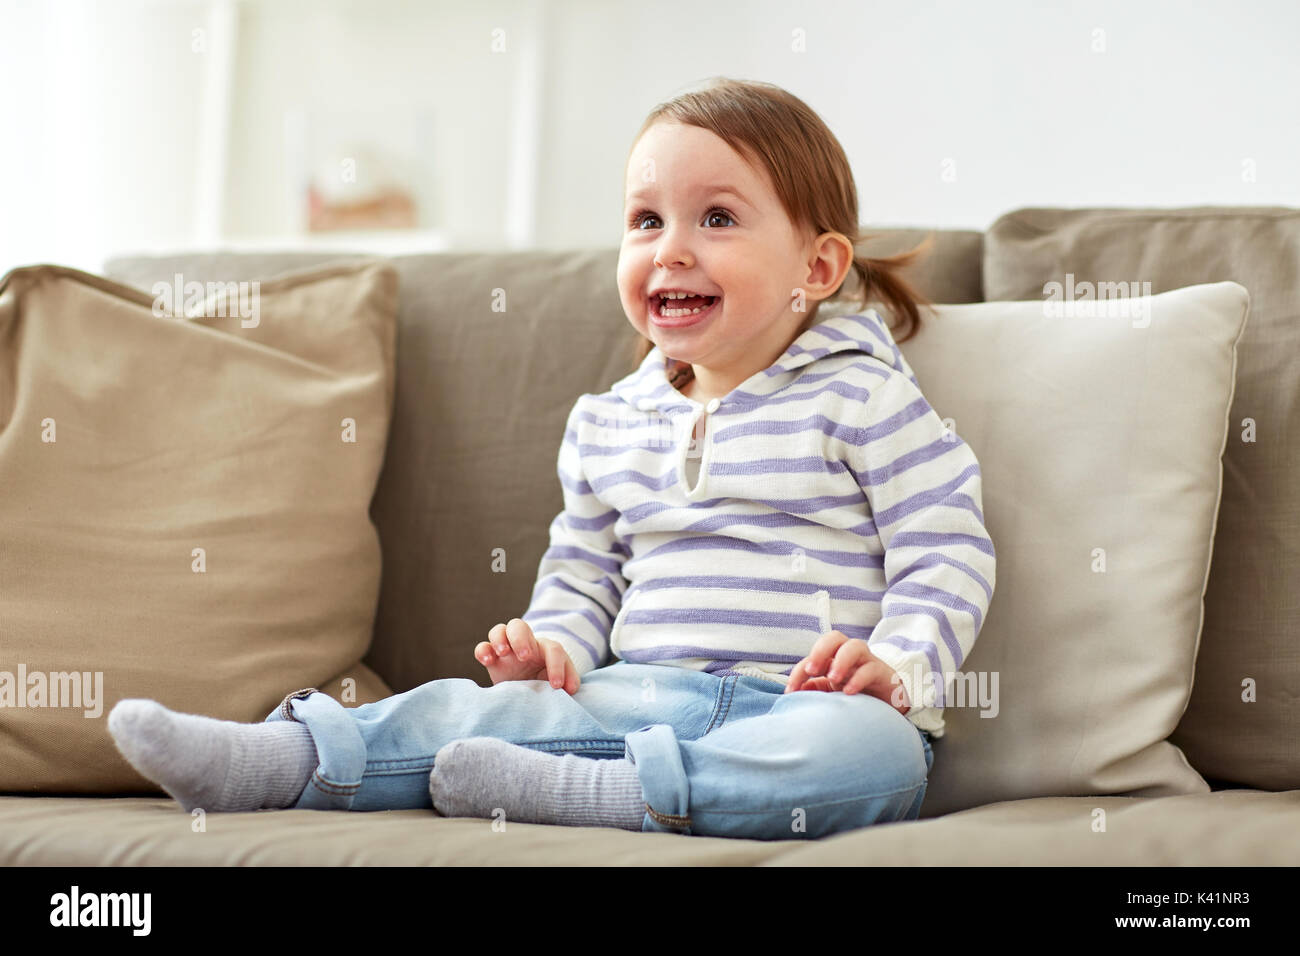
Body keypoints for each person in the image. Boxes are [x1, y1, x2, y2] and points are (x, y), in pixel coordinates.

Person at [108, 77, 996, 841]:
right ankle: (279, 758)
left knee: (872, 759)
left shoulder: (864, 396)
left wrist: (898, 666)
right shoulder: (610, 422)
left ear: (820, 263)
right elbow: (581, 578)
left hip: (806, 714)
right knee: (464, 710)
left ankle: (618, 796)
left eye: (717, 217)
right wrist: (556, 649)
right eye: (646, 219)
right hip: (635, 698)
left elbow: (945, 549)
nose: (670, 248)